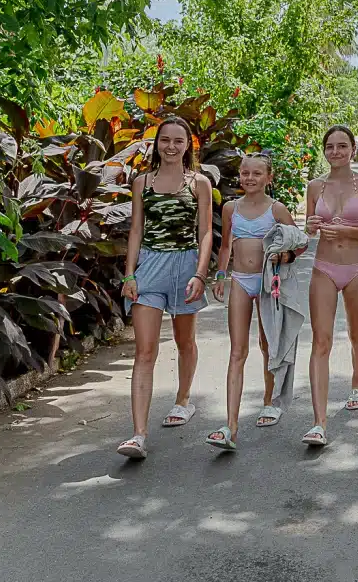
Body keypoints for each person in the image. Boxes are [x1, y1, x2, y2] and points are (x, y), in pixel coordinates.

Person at [117, 116, 213, 460]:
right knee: (145, 351)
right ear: (156, 144)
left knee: (185, 341)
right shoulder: (142, 182)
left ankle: (183, 400)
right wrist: (129, 275)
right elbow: (135, 230)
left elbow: (205, 232)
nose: (171, 146)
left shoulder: (199, 183)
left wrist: (200, 274)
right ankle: (138, 435)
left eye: (178, 141)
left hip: (186, 267)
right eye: (165, 140)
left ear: (188, 146)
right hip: (150, 269)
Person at [205, 152, 299, 451]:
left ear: (268, 177)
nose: (249, 178)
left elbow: (299, 241)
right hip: (240, 282)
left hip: (268, 283)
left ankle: (270, 401)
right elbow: (225, 245)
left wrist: (285, 255)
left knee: (268, 343)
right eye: (245, 173)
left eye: (256, 174)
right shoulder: (231, 208)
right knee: (237, 350)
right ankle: (230, 426)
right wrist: (220, 274)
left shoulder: (277, 210)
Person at [302, 125, 358, 447]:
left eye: (342, 146)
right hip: (323, 268)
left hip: (357, 269)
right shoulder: (314, 187)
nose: (335, 152)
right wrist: (309, 226)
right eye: (330, 146)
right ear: (324, 151)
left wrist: (348, 232)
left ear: (353, 149)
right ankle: (318, 423)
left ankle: (357, 381)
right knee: (320, 342)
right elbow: (310, 230)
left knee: (356, 334)